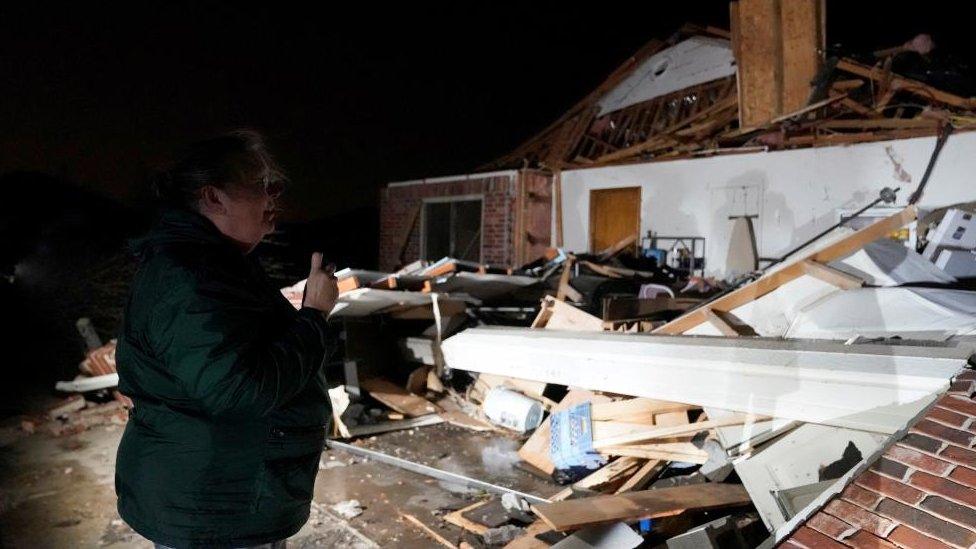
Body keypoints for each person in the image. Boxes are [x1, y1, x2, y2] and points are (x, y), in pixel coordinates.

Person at [114, 130, 340, 548]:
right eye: (260, 185)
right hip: (216, 512)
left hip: (224, 498)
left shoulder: (210, 265)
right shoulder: (190, 276)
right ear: (213, 197)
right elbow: (239, 391)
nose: (273, 200)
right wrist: (313, 315)